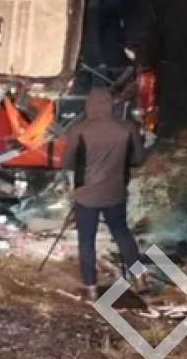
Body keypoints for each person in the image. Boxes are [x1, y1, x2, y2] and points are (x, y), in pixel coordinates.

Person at [62, 86, 147, 301]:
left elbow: (67, 162)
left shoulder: (79, 130)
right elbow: (138, 159)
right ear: (111, 105)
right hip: (115, 192)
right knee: (121, 232)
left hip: (87, 194)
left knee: (86, 239)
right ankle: (140, 277)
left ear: (89, 105)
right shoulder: (127, 128)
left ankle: (90, 288)